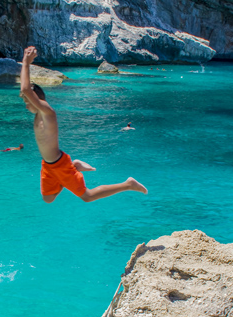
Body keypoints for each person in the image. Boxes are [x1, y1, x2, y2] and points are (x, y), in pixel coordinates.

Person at [19, 46, 147, 203]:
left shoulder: (47, 112)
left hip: (59, 164)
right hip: (48, 164)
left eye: (27, 101)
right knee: (48, 198)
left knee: (88, 196)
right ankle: (75, 166)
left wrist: (26, 62)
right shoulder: (38, 114)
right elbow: (25, 90)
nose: (26, 105)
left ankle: (127, 184)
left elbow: (26, 88)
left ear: (37, 98)